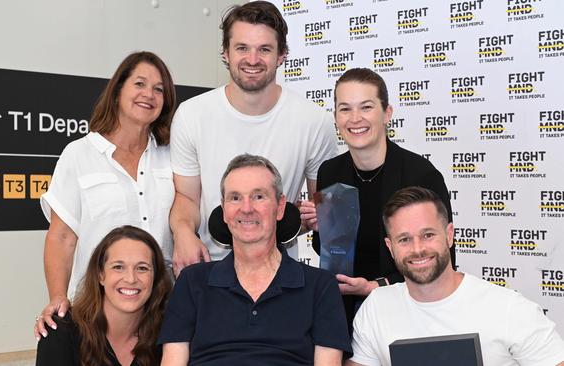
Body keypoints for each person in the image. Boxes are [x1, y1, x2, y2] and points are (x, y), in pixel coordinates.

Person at [169, 1, 338, 276]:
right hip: (208, 270)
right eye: (242, 48)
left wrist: (291, 219)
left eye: (264, 49)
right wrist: (183, 233)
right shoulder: (191, 115)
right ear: (225, 53)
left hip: (280, 273)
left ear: (282, 55)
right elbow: (186, 197)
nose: (252, 59)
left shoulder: (314, 121)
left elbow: (325, 207)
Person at [299, 67, 453, 332]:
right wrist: (323, 228)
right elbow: (328, 251)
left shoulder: (421, 175)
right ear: (335, 116)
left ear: (387, 113)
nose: (355, 118)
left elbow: (441, 258)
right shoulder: (330, 172)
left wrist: (375, 287)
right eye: (345, 109)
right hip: (345, 309)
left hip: (409, 308)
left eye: (366, 107)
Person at [35, 51, 176, 339]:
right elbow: (61, 237)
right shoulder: (79, 154)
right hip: (96, 314)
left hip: (163, 310)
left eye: (158, 89)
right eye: (139, 84)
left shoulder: (173, 157)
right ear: (117, 91)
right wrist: (58, 297)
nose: (148, 94)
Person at [158, 154, 351, 365]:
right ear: (223, 210)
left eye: (258, 196)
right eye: (235, 197)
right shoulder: (192, 282)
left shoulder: (320, 286)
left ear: (280, 206)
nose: (247, 208)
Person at [347, 186, 564, 366]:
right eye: (404, 239)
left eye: (428, 235)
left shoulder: (509, 309)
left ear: (449, 235)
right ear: (390, 247)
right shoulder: (377, 306)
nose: (418, 248)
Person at [36, 225, 172, 366]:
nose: (131, 279)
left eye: (142, 268)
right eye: (118, 267)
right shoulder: (61, 331)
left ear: (155, 277)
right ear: (100, 275)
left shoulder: (169, 333)